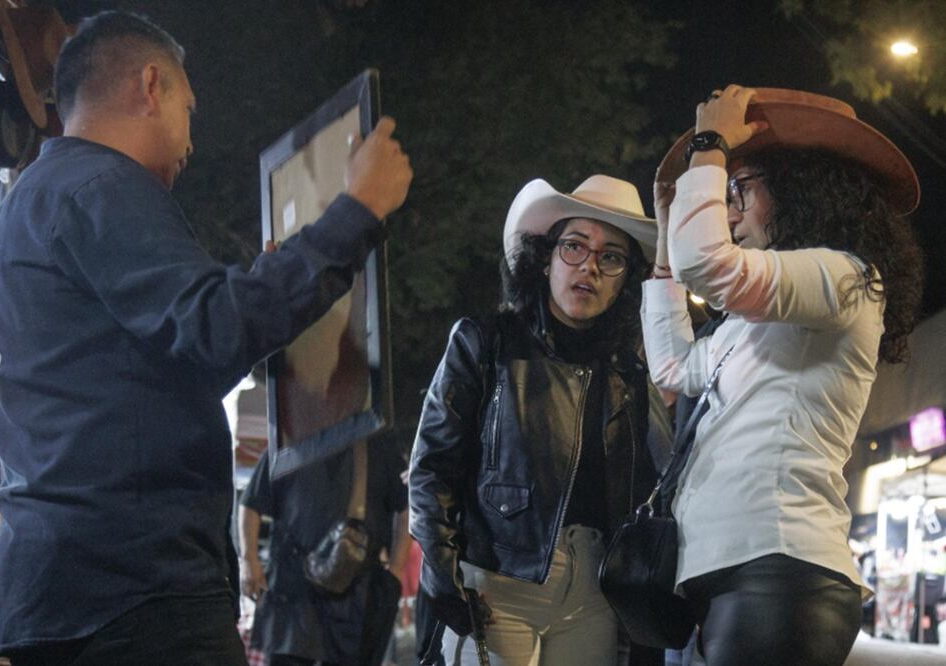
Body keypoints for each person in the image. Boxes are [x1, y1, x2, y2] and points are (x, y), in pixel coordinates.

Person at [0, 11, 412, 666]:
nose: (190, 142)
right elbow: (216, 328)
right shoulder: (104, 186)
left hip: (53, 597)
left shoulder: (21, 210)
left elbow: (168, 358)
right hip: (136, 593)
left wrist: (275, 288)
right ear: (150, 86)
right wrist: (356, 211)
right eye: (187, 107)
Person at [644, 85, 924, 665]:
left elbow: (709, 264)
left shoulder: (845, 275)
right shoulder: (752, 323)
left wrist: (710, 144)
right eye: (722, 195)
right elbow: (673, 367)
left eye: (739, 189)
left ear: (802, 191)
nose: (728, 212)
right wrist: (667, 254)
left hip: (778, 572)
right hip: (724, 573)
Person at [409, 175, 673, 665]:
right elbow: (432, 467)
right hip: (497, 584)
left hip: (592, 594)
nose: (590, 266)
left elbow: (661, 480)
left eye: (611, 256)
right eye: (575, 246)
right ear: (545, 257)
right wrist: (443, 571)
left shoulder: (633, 373)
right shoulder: (485, 343)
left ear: (625, 280)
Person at [238, 441, 410, 665]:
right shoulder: (290, 437)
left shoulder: (378, 443)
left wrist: (396, 570)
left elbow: (406, 506)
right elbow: (251, 502)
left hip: (354, 596)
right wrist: (249, 559)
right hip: (292, 592)